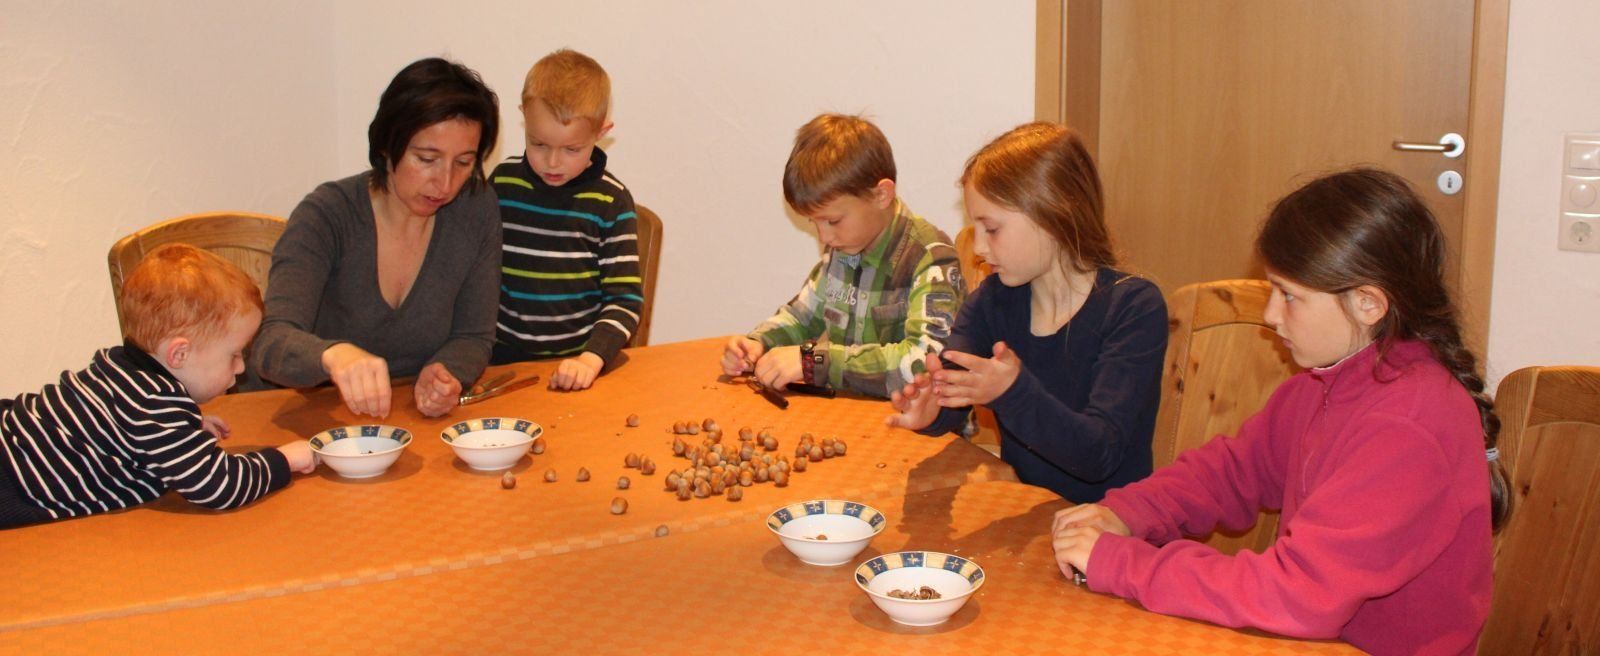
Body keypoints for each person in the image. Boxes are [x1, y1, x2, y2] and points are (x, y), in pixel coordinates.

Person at [1051, 168, 1510, 655]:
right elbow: (1230, 473)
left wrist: (1126, 564)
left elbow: (1299, 595)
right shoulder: (1326, 382)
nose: (1271, 315)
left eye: (1289, 295)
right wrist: (1126, 513)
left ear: (1369, 304)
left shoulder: (1409, 427)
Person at [885, 122, 1167, 503]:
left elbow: (1098, 455)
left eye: (992, 229)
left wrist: (1012, 392)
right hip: (1029, 515)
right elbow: (954, 388)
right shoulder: (992, 301)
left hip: (1112, 532)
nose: (979, 248)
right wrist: (933, 411)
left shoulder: (1133, 309)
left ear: (1053, 215)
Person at [252, 57, 502, 418]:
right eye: (426, 158)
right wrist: (334, 356)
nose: (445, 183)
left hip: (405, 418)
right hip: (307, 416)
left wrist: (447, 372)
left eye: (463, 163)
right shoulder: (327, 214)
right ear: (387, 147)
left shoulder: (475, 209)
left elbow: (474, 336)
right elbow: (271, 341)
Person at [0, 245, 317, 529]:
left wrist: (185, 427)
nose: (241, 367)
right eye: (234, 354)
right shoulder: (154, 404)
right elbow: (219, 486)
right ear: (179, 354)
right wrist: (284, 460)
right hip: (12, 485)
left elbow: (127, 426)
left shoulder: (122, 367)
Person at [719, 114, 964, 398]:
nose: (824, 238)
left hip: (921, 431)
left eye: (833, 221)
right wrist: (757, 343)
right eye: (815, 223)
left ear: (882, 195)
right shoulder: (844, 247)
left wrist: (814, 361)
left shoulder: (930, 258)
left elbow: (925, 364)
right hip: (853, 416)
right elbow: (802, 315)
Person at [490, 49, 642, 392]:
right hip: (499, 363)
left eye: (572, 149)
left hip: (578, 364)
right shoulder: (502, 184)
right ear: (523, 118)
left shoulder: (610, 201)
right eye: (538, 143)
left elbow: (625, 301)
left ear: (602, 132)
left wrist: (592, 358)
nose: (553, 162)